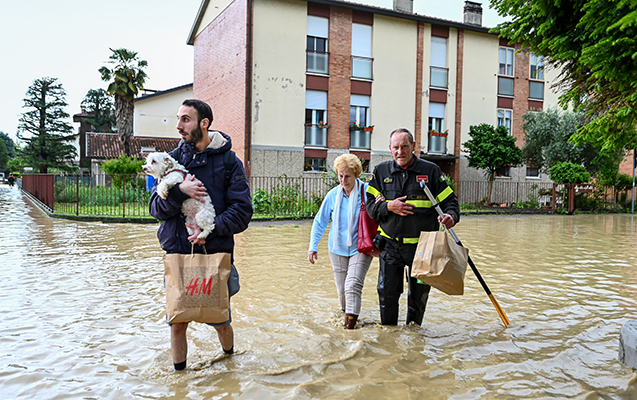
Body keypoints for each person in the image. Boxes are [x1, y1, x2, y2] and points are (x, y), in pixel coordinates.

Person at [149, 99, 253, 370]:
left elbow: (243, 211)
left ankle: (230, 362)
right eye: (178, 118)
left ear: (204, 123)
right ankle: (179, 379)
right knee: (177, 323)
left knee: (220, 320)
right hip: (177, 255)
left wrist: (210, 229)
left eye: (185, 119)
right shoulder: (169, 161)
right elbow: (155, 209)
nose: (178, 125)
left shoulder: (229, 162)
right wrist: (178, 192)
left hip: (213, 254)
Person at [365, 128, 459, 326]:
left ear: (413, 146)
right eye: (396, 147)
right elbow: (370, 208)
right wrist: (389, 206)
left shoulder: (430, 171)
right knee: (387, 293)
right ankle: (389, 336)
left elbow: (450, 202)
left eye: (404, 147)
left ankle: (414, 336)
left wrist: (451, 216)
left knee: (419, 296)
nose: (400, 152)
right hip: (391, 246)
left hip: (423, 249)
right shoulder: (381, 172)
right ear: (390, 148)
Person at [308, 154, 379, 329]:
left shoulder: (368, 192)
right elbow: (320, 221)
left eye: (347, 176)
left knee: (352, 285)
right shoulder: (333, 195)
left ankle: (349, 330)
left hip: (361, 247)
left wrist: (381, 204)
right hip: (337, 248)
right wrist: (313, 246)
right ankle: (346, 318)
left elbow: (381, 213)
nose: (343, 180)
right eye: (340, 175)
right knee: (342, 291)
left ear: (356, 175)